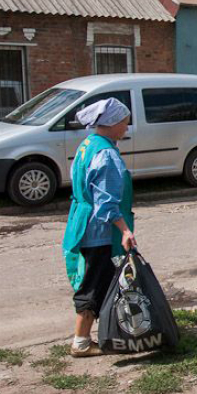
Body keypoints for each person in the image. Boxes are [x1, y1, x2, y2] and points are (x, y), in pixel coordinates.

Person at [62, 98, 137, 357]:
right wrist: (125, 230)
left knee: (97, 280)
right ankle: (81, 342)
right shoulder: (106, 154)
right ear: (112, 123)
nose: (126, 127)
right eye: (125, 122)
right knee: (94, 283)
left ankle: (101, 332)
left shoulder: (88, 145)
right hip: (99, 231)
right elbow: (106, 202)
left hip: (83, 222)